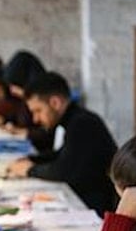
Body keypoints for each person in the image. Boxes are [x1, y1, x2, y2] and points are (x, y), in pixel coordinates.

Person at [7, 72, 118, 216]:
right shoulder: (75, 119)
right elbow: (62, 155)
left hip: (95, 208)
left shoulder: (82, 123)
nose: (35, 119)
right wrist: (31, 159)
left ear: (55, 103)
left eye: (38, 111)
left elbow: (64, 170)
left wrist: (29, 169)